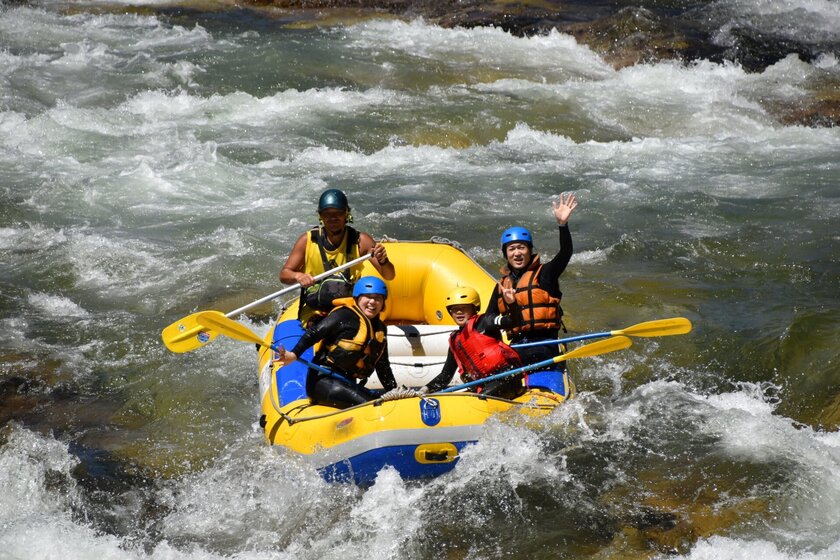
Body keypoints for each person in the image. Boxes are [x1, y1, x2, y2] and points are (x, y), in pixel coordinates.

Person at [485, 192, 579, 368]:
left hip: (545, 346)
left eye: (522, 247)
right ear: (505, 254)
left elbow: (565, 253)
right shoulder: (502, 286)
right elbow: (487, 319)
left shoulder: (546, 273)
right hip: (516, 347)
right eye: (512, 249)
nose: (517, 253)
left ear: (530, 250)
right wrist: (505, 321)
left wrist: (563, 225)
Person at [279, 188, 396, 327]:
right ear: (320, 216)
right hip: (315, 308)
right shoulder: (307, 240)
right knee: (321, 327)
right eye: (327, 214)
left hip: (348, 306)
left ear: (347, 214)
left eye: (338, 213)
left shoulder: (360, 241)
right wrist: (298, 276)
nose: (332, 218)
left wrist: (383, 261)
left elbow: (389, 275)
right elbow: (284, 275)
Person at [277, 276, 397, 409]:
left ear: (383, 303)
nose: (372, 302)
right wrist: (294, 354)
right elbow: (314, 333)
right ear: (357, 298)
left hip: (347, 383)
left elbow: (383, 365)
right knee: (374, 405)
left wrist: (394, 392)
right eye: (367, 297)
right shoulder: (344, 315)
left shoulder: (380, 330)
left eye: (378, 298)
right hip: (323, 381)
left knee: (384, 402)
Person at [424, 285, 524, 398]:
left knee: (483, 396)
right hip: (485, 386)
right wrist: (425, 389)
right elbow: (445, 376)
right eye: (455, 309)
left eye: (464, 308)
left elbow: (514, 322)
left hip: (507, 378)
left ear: (474, 308)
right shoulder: (456, 341)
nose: (459, 312)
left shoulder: (485, 322)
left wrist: (512, 304)